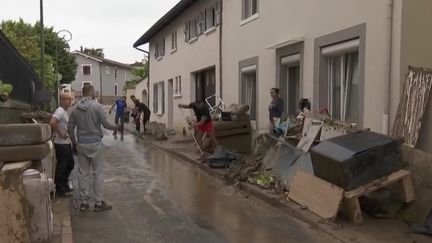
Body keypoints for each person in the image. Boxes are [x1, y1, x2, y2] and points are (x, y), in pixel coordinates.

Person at [68, 85, 119, 212]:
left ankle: (84, 202)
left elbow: (70, 128)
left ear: (82, 93)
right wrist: (117, 128)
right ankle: (98, 202)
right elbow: (106, 125)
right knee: (98, 173)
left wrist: (74, 143)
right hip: (95, 143)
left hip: (82, 143)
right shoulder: (97, 107)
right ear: (92, 93)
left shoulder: (74, 109)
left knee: (83, 173)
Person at [49, 93, 75, 197]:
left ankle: (63, 183)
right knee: (62, 165)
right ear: (62, 100)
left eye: (70, 99)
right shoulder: (59, 111)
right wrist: (60, 133)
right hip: (61, 144)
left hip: (66, 143)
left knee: (70, 164)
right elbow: (52, 122)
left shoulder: (65, 112)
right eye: (68, 99)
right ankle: (60, 187)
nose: (70, 101)